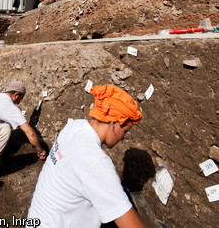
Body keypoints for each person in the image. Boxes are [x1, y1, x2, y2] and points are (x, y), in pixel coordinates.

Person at [28, 84, 146, 228]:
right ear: (114, 124)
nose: (123, 138)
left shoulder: (75, 126)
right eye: (125, 132)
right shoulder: (95, 162)